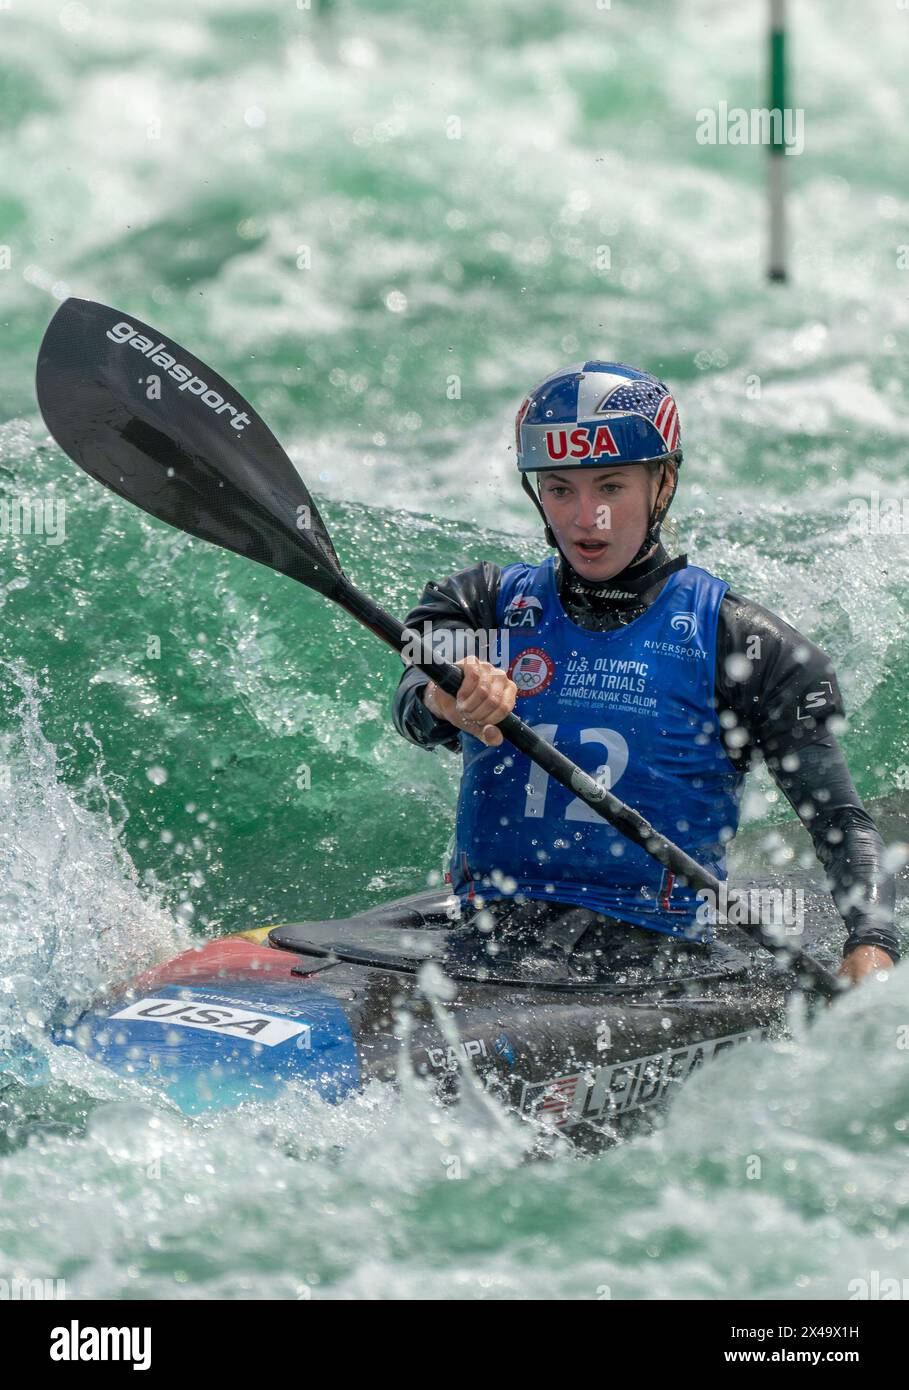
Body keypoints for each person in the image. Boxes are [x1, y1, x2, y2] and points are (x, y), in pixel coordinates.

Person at [393, 362, 898, 984]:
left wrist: (871, 943)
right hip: (485, 938)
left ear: (663, 484)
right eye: (559, 489)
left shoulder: (742, 644)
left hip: (654, 961)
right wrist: (448, 700)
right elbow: (415, 700)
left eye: (611, 488)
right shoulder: (482, 606)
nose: (585, 518)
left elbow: (840, 821)